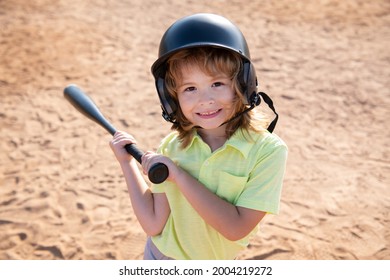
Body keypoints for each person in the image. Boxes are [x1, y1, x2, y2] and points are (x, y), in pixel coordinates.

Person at [110, 13, 287, 260]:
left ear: (243, 84)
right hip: (158, 257)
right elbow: (153, 224)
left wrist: (178, 175)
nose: (205, 100)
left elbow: (235, 228)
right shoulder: (173, 145)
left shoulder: (267, 151)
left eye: (217, 84)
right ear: (172, 99)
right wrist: (126, 162)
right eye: (189, 88)